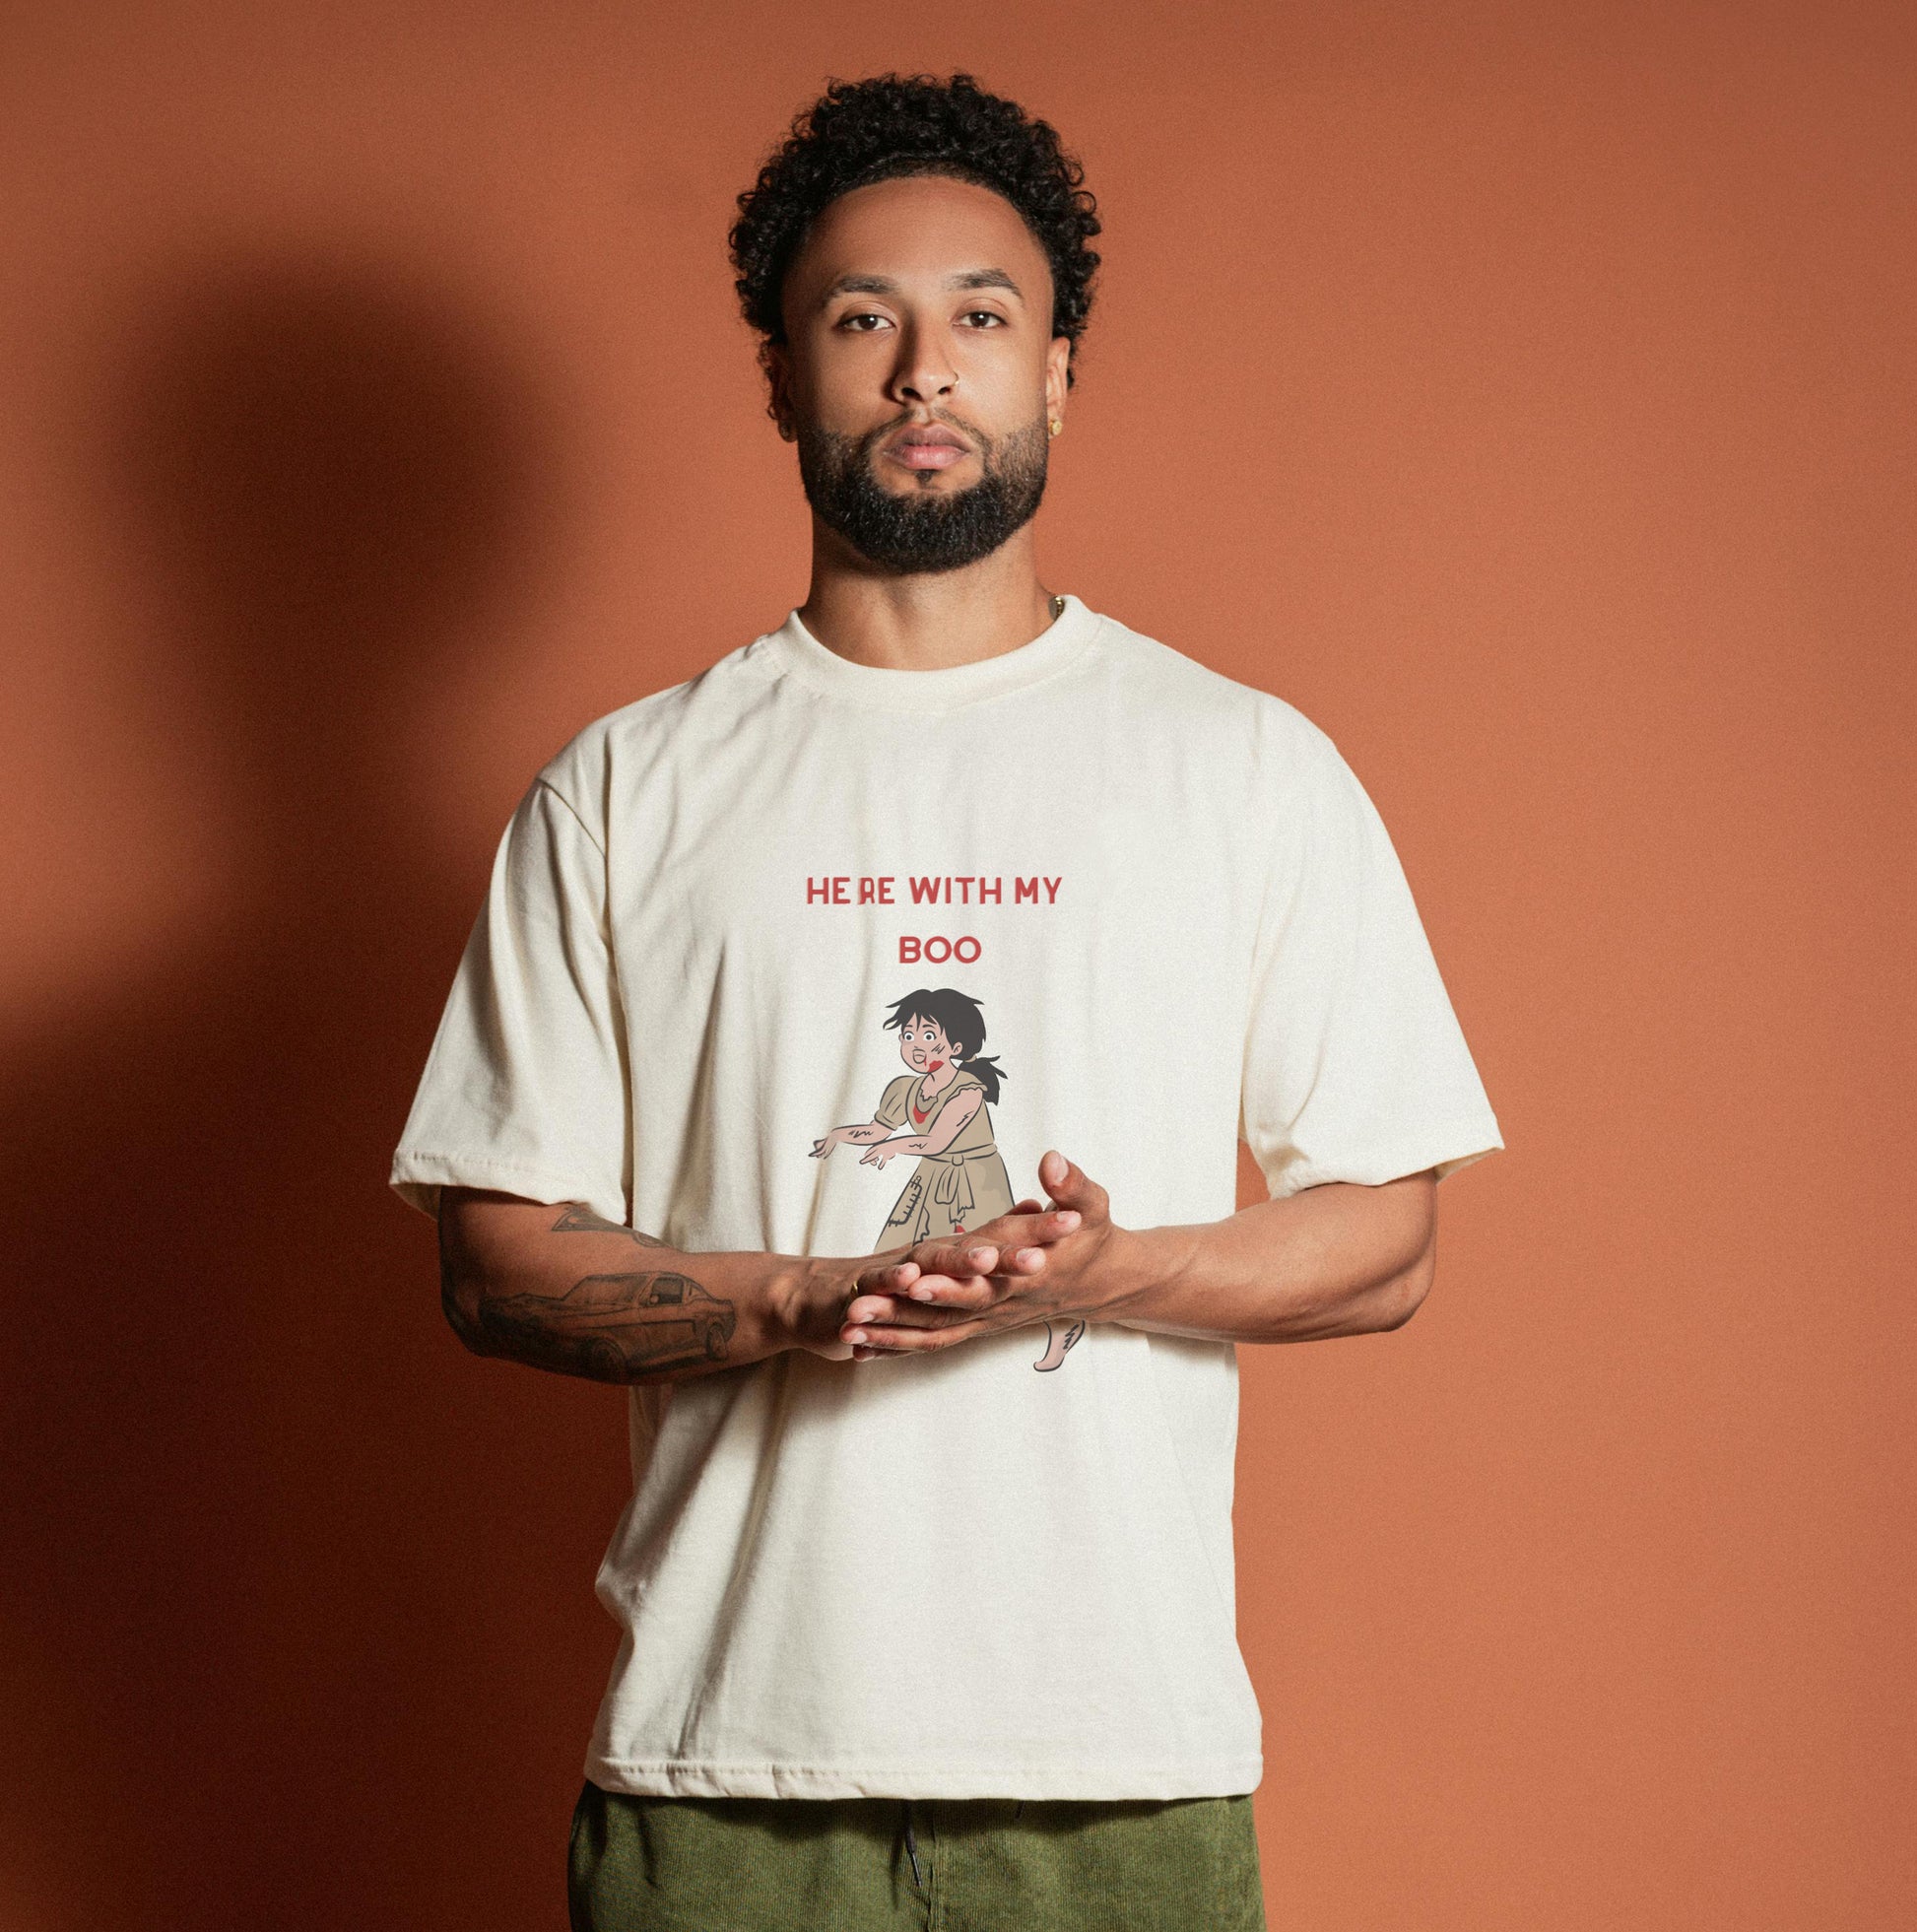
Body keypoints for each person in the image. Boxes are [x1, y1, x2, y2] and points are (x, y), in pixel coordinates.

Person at [391, 70, 1502, 1931]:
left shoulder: (1241, 766)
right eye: (862, 321)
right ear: (782, 376)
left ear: (1055, 371)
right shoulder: (626, 789)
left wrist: (1097, 1273)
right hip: (723, 1777)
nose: (925, 371)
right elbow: (492, 1263)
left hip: (1119, 1772)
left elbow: (1386, 1240)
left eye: (981, 318)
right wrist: (793, 1298)